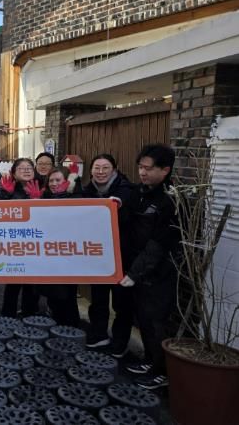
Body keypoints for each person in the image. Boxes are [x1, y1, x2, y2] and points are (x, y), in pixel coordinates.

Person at [120, 144, 179, 390]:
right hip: (138, 269)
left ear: (165, 170)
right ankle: (149, 360)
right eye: (140, 167)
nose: (142, 172)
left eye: (148, 168)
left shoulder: (171, 200)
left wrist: (136, 272)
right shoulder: (141, 192)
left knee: (155, 321)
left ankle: (160, 372)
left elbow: (160, 243)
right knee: (143, 318)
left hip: (158, 273)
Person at [83, 154, 134, 352]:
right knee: (98, 298)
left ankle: (120, 343)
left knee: (122, 302)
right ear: (91, 170)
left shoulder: (126, 189)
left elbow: (124, 202)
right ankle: (99, 334)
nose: (101, 172)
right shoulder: (87, 191)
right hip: (98, 254)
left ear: (114, 169)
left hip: (123, 255)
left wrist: (117, 204)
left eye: (105, 168)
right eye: (97, 167)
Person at [0, 158, 44, 318]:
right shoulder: (8, 189)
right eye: (21, 168)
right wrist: (6, 194)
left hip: (36, 243)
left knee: (32, 283)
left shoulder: (43, 188)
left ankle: (29, 314)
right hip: (14, 242)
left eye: (29, 167)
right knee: (13, 282)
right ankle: (7, 316)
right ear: (14, 173)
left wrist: (39, 202)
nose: (26, 170)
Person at [40, 166, 82, 327]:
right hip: (48, 255)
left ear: (68, 182)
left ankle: (71, 329)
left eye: (58, 180)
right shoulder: (44, 197)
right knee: (53, 297)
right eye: (51, 180)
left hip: (68, 255)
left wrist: (63, 195)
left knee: (67, 296)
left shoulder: (76, 197)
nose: (54, 183)